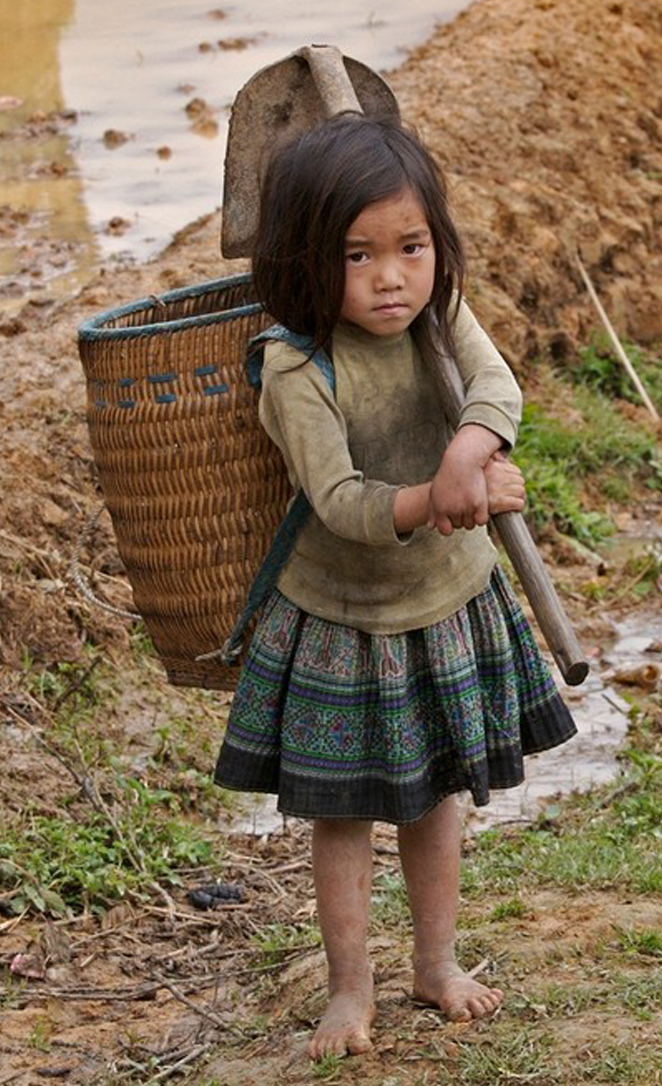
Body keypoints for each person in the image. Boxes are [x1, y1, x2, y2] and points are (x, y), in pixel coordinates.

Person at [212, 115, 576, 1059]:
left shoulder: (438, 316)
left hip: (444, 605)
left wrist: (470, 449)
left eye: (410, 248)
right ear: (301, 260)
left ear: (435, 248)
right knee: (343, 811)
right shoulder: (295, 366)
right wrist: (440, 496)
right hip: (345, 617)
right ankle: (347, 988)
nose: (389, 278)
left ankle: (436, 961)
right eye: (357, 255)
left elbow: (497, 387)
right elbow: (338, 500)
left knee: (433, 795)